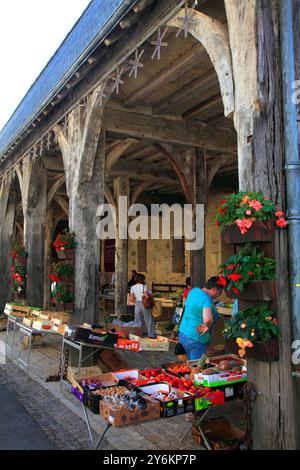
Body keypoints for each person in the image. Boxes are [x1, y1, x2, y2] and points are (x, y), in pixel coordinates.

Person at [178, 276, 223, 360]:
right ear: (214, 289)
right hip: (196, 338)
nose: (219, 296)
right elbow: (208, 319)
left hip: (183, 333)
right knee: (196, 367)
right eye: (219, 292)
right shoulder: (206, 299)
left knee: (189, 363)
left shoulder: (193, 291)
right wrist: (207, 326)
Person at [130, 273, 156, 338]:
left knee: (137, 321)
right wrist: (150, 295)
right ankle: (151, 335)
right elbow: (146, 296)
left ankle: (137, 335)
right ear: (141, 279)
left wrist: (136, 300)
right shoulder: (144, 286)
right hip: (144, 305)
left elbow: (132, 298)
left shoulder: (132, 287)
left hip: (137, 305)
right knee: (149, 320)